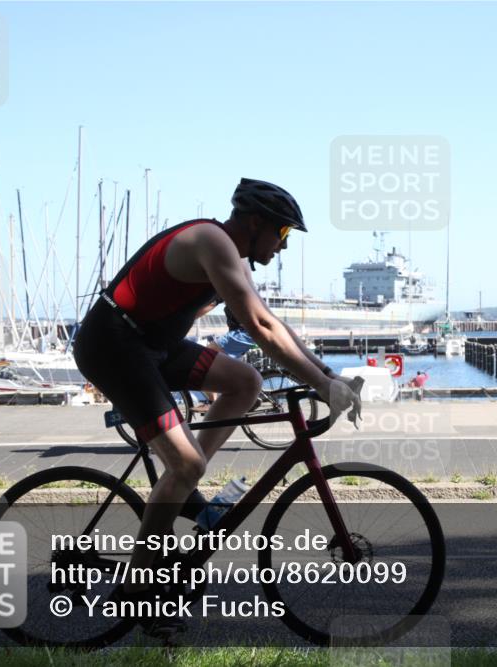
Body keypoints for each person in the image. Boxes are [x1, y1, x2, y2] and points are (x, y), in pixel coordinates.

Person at [72, 178, 362, 627]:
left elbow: (271, 321)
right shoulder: (212, 242)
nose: (284, 245)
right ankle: (135, 590)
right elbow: (260, 330)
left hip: (153, 343)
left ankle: (184, 484)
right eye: (283, 232)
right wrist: (322, 388)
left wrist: (328, 375)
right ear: (255, 223)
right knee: (186, 463)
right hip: (113, 344)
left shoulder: (235, 257)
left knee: (245, 382)